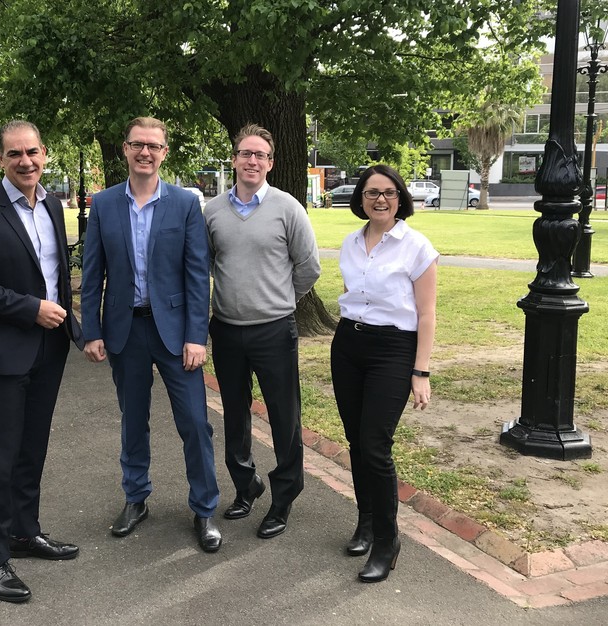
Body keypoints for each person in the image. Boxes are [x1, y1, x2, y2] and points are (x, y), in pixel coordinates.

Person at [0, 120, 85, 603]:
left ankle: (24, 532)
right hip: (1, 353)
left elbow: (55, 272)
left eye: (32, 152)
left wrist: (69, 320)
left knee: (33, 449)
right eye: (15, 154)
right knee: (0, 457)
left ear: (45, 154)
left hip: (49, 349)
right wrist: (31, 309)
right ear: (0, 160)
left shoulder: (52, 204)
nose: (25, 161)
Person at [81, 116, 222, 553]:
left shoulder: (184, 204)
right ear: (125, 149)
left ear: (164, 152)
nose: (145, 152)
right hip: (126, 331)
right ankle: (136, 498)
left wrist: (197, 336)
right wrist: (91, 330)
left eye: (153, 146)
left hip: (178, 334)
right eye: (137, 144)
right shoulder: (103, 204)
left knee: (196, 423)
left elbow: (198, 275)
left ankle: (204, 508)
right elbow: (92, 273)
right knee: (132, 421)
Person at [204, 124, 321, 539]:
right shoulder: (213, 211)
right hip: (227, 331)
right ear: (234, 159)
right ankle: (245, 485)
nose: (252, 161)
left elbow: (309, 266)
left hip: (274, 331)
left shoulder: (288, 208)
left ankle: (284, 497)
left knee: (283, 417)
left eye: (260, 155)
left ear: (270, 162)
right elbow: (203, 266)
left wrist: (277, 299)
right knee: (234, 415)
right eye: (245, 153)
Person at [330, 163, 438, 583]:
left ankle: (387, 540)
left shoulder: (415, 246)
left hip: (393, 349)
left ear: (400, 199)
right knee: (357, 439)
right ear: (360, 198)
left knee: (376, 444)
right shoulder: (351, 242)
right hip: (349, 345)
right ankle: (367, 521)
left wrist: (421, 371)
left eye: (389, 193)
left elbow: (426, 314)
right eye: (372, 192)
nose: (380, 199)